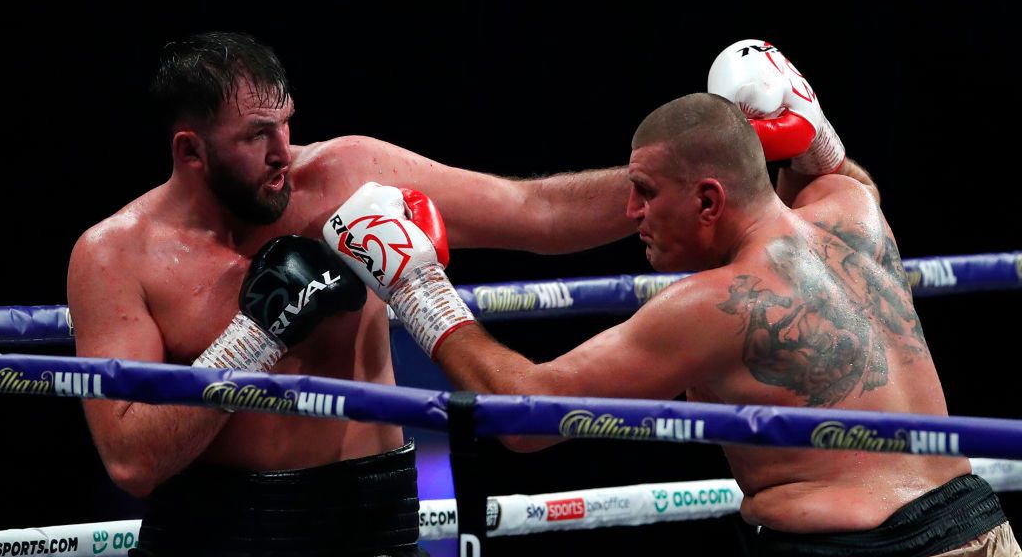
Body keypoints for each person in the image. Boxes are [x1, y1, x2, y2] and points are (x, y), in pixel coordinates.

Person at [328, 40, 1021, 556]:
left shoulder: (712, 307)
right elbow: (836, 172)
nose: (631, 211)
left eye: (646, 191)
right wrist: (810, 126)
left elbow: (524, 416)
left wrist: (415, 285)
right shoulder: (855, 211)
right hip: (983, 528)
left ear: (710, 199)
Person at [66, 31, 635, 557]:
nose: (282, 151)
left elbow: (541, 213)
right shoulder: (115, 255)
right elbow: (132, 460)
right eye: (255, 135)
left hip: (371, 520)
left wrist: (682, 179)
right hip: (213, 531)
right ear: (190, 151)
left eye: (285, 124)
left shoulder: (350, 179)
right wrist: (252, 339)